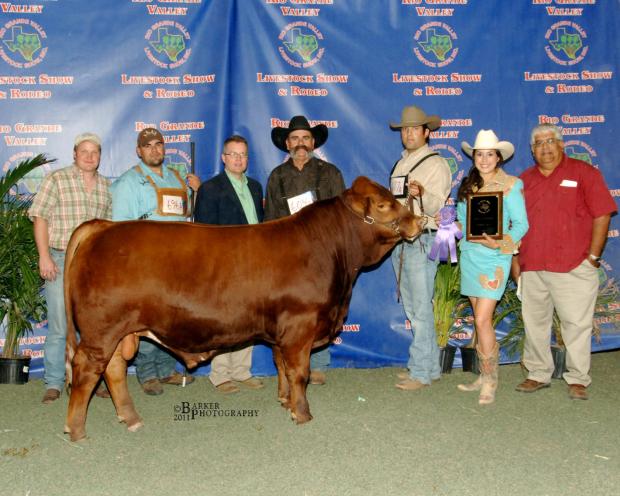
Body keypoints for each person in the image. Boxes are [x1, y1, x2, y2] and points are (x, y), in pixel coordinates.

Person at [514, 124, 616, 400]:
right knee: (535, 324)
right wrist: (516, 264)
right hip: (533, 265)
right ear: (532, 150)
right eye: (538, 143)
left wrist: (593, 257)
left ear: (561, 145)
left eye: (550, 141)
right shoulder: (523, 180)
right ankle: (537, 373)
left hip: (573, 265)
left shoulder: (584, 174)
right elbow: (514, 224)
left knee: (576, 324)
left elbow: (603, 214)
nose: (545, 147)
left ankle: (578, 378)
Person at [111, 127, 200, 396]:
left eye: (159, 144)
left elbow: (186, 216)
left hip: (178, 262)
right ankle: (147, 373)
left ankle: (166, 369)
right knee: (148, 320)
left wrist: (195, 191)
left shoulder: (176, 177)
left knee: (173, 318)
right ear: (139, 151)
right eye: (148, 145)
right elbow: (120, 230)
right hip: (146, 263)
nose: (154, 149)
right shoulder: (129, 182)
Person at [29, 132, 112, 404]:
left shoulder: (105, 186)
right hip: (61, 258)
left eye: (95, 152)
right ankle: (53, 382)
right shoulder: (57, 179)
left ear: (100, 157)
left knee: (93, 328)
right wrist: (44, 256)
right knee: (59, 325)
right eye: (84, 151)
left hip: (94, 265)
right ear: (75, 154)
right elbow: (40, 218)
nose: (89, 156)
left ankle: (91, 380)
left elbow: (106, 229)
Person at [264, 115, 345, 385]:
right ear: (287, 143)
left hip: (322, 254)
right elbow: (271, 219)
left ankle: (318, 362)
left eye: (306, 138)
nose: (301, 143)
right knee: (291, 310)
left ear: (313, 143)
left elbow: (341, 215)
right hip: (288, 254)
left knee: (320, 306)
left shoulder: (330, 173)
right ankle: (291, 360)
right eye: (296, 138)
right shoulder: (277, 177)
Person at [455, 130, 529, 405]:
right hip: (471, 256)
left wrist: (499, 244)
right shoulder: (466, 186)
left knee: (483, 320)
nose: (484, 159)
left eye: (489, 154)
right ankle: (482, 374)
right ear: (473, 157)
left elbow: (522, 224)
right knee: (479, 318)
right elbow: (463, 226)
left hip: (495, 259)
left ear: (498, 157)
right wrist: (449, 225)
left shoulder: (511, 184)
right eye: (479, 154)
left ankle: (490, 380)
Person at [194, 135, 265, 394]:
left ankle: (241, 370)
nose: (238, 159)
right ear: (223, 158)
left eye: (243, 155)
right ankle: (220, 373)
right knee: (225, 319)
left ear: (247, 159)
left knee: (249, 319)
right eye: (233, 154)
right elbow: (202, 233)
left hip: (254, 262)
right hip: (224, 266)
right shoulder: (210, 189)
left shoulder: (256, 187)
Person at [388, 105, 452, 391]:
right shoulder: (401, 163)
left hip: (423, 238)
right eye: (405, 129)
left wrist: (423, 193)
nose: (409, 133)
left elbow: (438, 205)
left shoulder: (436, 164)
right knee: (414, 308)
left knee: (420, 309)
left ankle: (421, 373)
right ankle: (428, 366)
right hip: (401, 239)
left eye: (415, 128)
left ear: (427, 132)